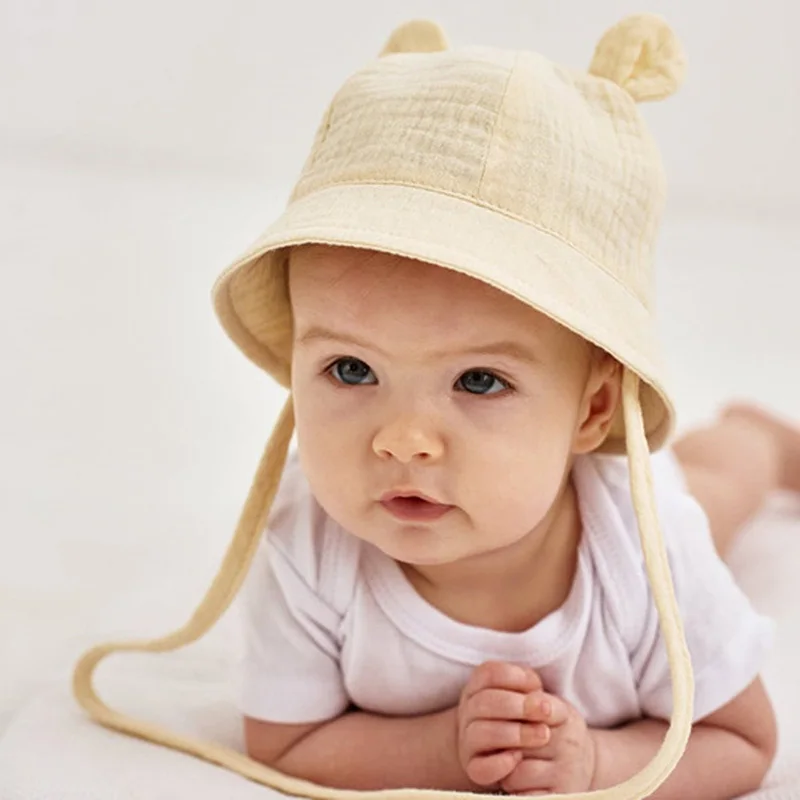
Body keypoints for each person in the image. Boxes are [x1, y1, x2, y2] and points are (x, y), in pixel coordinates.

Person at [72, 13, 796, 800]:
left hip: (636, 512)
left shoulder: (645, 545)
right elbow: (288, 739)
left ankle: (757, 435)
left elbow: (742, 741)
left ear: (592, 410)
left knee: (714, 488)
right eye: (351, 368)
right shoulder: (305, 546)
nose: (404, 441)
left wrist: (601, 766)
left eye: (479, 381)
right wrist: (443, 752)